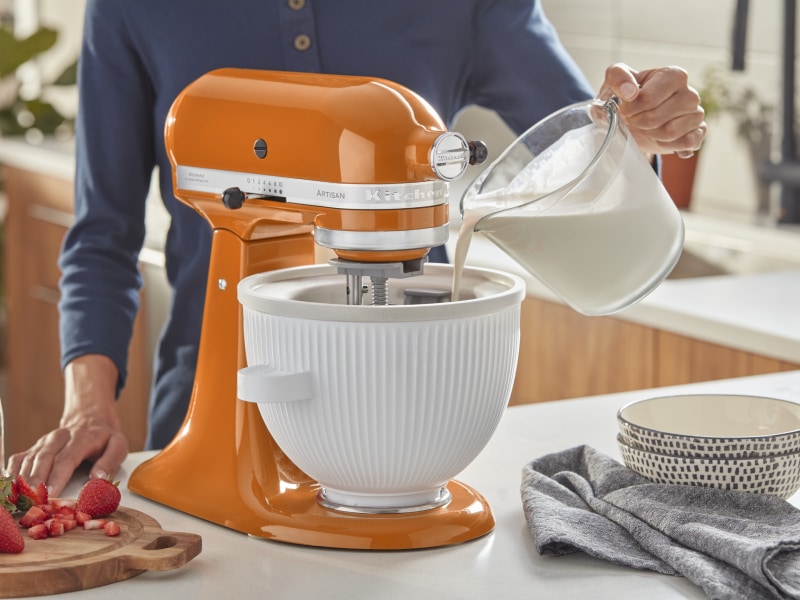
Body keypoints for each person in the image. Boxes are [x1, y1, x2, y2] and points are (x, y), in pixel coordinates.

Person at [8, 0, 706, 496]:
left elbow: (581, 151)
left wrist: (637, 128)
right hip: (208, 406)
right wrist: (88, 408)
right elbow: (104, 234)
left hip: (412, 420)